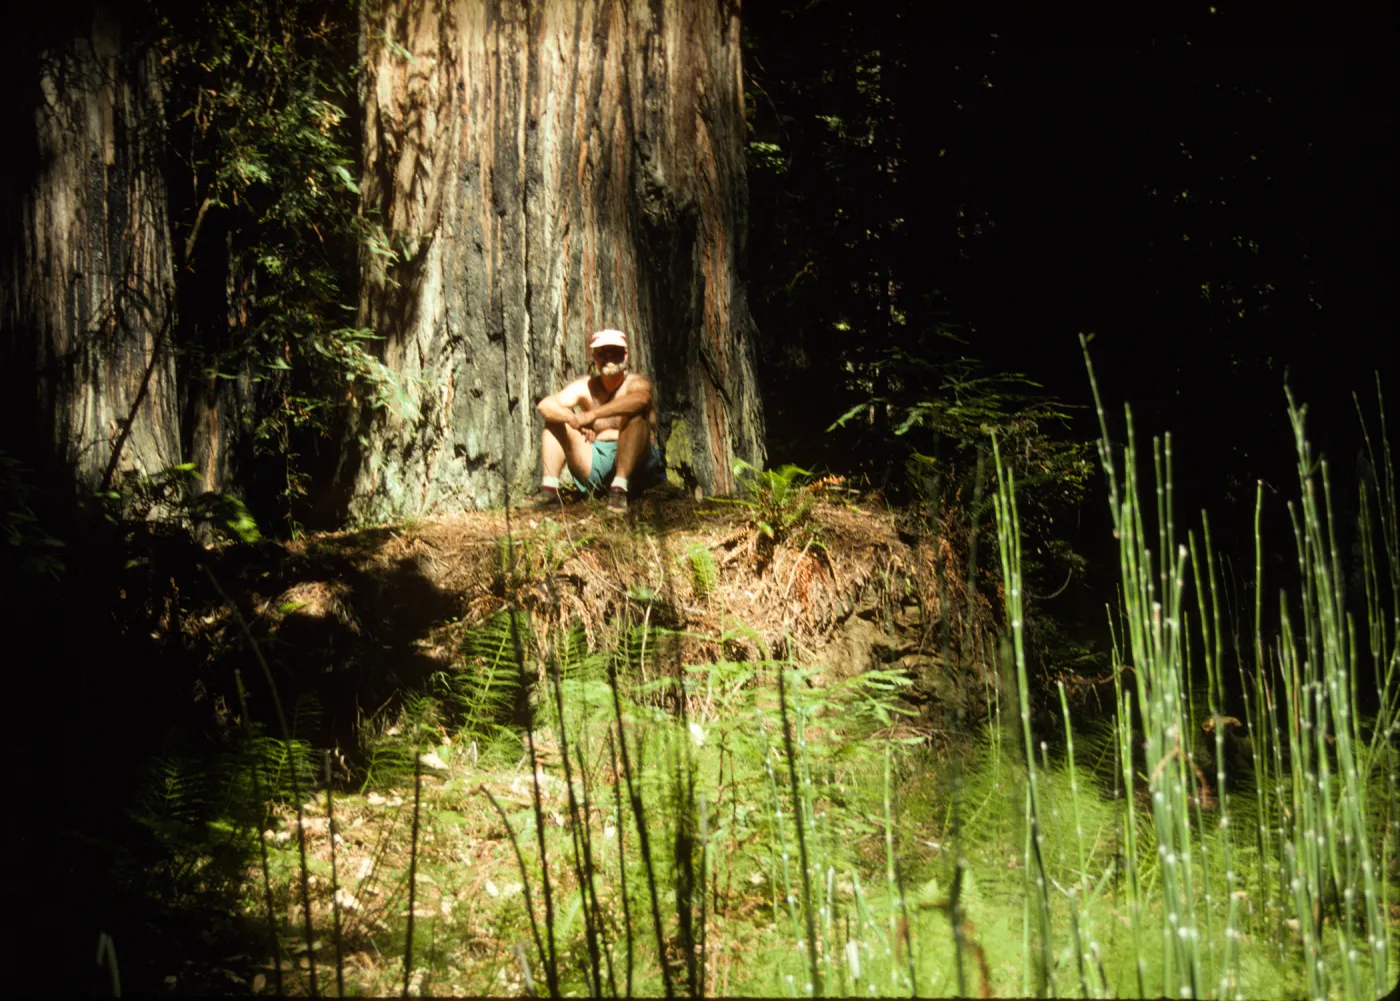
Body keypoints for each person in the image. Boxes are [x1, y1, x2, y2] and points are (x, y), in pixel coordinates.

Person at [532, 328, 665, 514]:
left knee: (635, 416)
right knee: (555, 422)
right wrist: (573, 419)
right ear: (594, 356)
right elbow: (546, 405)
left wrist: (592, 415)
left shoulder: (636, 383)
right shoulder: (585, 386)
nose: (609, 357)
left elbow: (641, 400)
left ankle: (619, 489)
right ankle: (549, 491)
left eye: (615, 352)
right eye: (602, 352)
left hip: (637, 466)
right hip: (596, 461)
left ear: (626, 355)